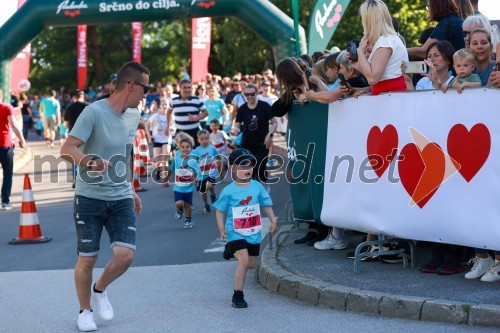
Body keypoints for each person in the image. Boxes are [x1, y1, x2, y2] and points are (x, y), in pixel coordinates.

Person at [60, 61, 148, 332]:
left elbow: (127, 155)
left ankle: (100, 290)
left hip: (120, 195)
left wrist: (131, 188)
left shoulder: (134, 116)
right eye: (146, 88)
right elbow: (67, 148)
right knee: (87, 259)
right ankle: (84, 311)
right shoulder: (93, 112)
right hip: (89, 196)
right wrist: (88, 160)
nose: (147, 95)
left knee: (125, 256)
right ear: (132, 86)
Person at [213, 148, 277, 308]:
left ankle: (230, 251)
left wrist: (273, 220)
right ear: (233, 168)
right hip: (235, 232)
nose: (247, 169)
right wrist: (221, 229)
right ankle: (238, 296)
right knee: (244, 260)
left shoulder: (257, 187)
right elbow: (219, 210)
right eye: (242, 166)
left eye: (249, 166)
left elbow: (266, 204)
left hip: (253, 232)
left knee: (251, 264)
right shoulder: (228, 191)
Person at [350, 0, 409, 95]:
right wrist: (358, 65)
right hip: (390, 93)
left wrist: (360, 51)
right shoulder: (389, 39)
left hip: (391, 94)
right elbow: (378, 75)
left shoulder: (385, 41)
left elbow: (372, 79)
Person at [232, 84, 278, 191]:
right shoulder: (243, 109)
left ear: (257, 93)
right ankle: (254, 191)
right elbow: (237, 124)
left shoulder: (264, 106)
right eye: (246, 94)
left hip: (262, 143)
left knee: (260, 167)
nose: (249, 97)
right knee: (249, 168)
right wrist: (236, 128)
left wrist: (269, 135)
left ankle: (263, 181)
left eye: (252, 94)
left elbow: (275, 123)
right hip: (247, 144)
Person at [165, 133, 199, 229]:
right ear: (179, 148)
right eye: (183, 147)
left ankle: (188, 220)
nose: (185, 149)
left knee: (187, 205)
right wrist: (165, 180)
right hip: (178, 187)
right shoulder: (176, 159)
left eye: (187, 147)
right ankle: (179, 210)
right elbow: (170, 169)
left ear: (191, 148)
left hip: (189, 188)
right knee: (179, 203)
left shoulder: (192, 161)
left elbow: (196, 173)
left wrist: (195, 180)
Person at [0, 89, 26, 211]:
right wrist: (22, 139)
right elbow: (14, 125)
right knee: (7, 174)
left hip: (5, 145)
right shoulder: (7, 107)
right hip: (5, 145)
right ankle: (5, 201)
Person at [167, 79, 207, 146]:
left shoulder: (197, 100)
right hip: (180, 132)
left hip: (194, 132)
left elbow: (205, 113)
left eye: (189, 87)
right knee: (180, 154)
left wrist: (196, 118)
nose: (187, 89)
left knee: (194, 154)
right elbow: (168, 112)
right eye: (185, 87)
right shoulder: (173, 101)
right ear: (180, 88)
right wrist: (167, 127)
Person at [193, 129, 219, 213]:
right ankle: (206, 204)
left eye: (206, 138)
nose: (204, 140)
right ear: (198, 140)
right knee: (202, 191)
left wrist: (218, 166)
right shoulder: (196, 151)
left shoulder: (212, 148)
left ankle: (212, 194)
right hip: (201, 175)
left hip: (211, 173)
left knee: (210, 185)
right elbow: (194, 163)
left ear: (209, 138)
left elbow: (218, 157)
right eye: (202, 139)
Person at [149, 98, 171, 186]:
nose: (165, 106)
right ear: (159, 107)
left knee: (164, 159)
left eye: (166, 104)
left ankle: (164, 180)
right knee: (158, 162)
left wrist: (171, 129)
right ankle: (158, 170)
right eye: (163, 105)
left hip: (166, 139)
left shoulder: (170, 116)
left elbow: (174, 126)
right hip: (157, 139)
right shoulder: (156, 116)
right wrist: (149, 136)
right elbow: (147, 124)